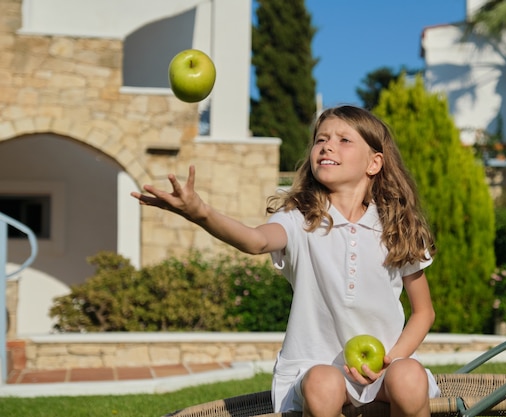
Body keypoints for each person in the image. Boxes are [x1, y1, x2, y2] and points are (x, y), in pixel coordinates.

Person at [131, 105, 440, 417]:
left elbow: (423, 312)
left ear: (374, 163)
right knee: (324, 383)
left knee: (409, 377)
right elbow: (256, 241)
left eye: (344, 140)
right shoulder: (299, 218)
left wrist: (391, 360)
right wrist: (202, 214)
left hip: (383, 370)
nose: (327, 146)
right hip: (314, 371)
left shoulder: (396, 226)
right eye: (321, 139)